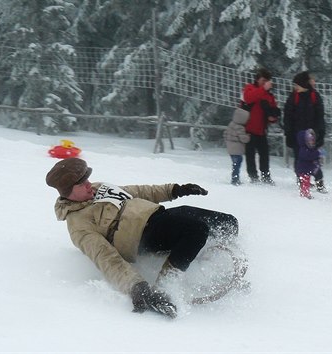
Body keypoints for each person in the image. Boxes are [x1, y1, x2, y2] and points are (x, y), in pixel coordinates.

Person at [45, 158, 239, 319]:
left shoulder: (97, 188)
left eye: (87, 179)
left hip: (158, 215)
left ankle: (219, 266)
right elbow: (105, 258)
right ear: (69, 191)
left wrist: (176, 190)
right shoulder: (78, 224)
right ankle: (166, 286)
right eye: (82, 183)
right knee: (196, 230)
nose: (89, 184)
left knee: (228, 223)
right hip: (142, 236)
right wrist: (136, 287)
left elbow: (139, 191)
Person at [283, 71, 327, 193]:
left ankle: (319, 183)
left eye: (297, 85)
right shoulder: (293, 97)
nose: (295, 88)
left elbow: (320, 117)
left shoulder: (315, 96)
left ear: (303, 85)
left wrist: (320, 134)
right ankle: (302, 182)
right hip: (297, 136)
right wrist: (288, 134)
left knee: (314, 160)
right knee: (299, 160)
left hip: (312, 136)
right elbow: (287, 116)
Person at [242, 68, 280, 185]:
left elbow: (273, 110)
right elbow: (248, 98)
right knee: (250, 155)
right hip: (248, 128)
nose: (265, 83)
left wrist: (273, 118)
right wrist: (263, 89)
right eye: (263, 80)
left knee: (264, 155)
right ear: (257, 79)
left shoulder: (269, 96)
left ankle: (265, 176)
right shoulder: (249, 88)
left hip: (262, 130)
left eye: (267, 81)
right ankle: (253, 176)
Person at [223, 105, 251, 185]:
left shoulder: (231, 124)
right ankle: (235, 179)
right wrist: (248, 137)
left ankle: (235, 178)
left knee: (235, 164)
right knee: (237, 164)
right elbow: (243, 139)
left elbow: (225, 134)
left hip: (230, 148)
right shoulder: (240, 127)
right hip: (237, 149)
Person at [295, 129, 325, 199]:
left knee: (307, 181)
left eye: (313, 140)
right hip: (303, 169)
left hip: (307, 169)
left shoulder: (310, 148)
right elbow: (309, 156)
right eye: (310, 140)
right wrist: (318, 153)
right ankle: (305, 193)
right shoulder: (303, 149)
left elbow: (313, 157)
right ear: (305, 141)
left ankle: (305, 192)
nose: (312, 142)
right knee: (305, 182)